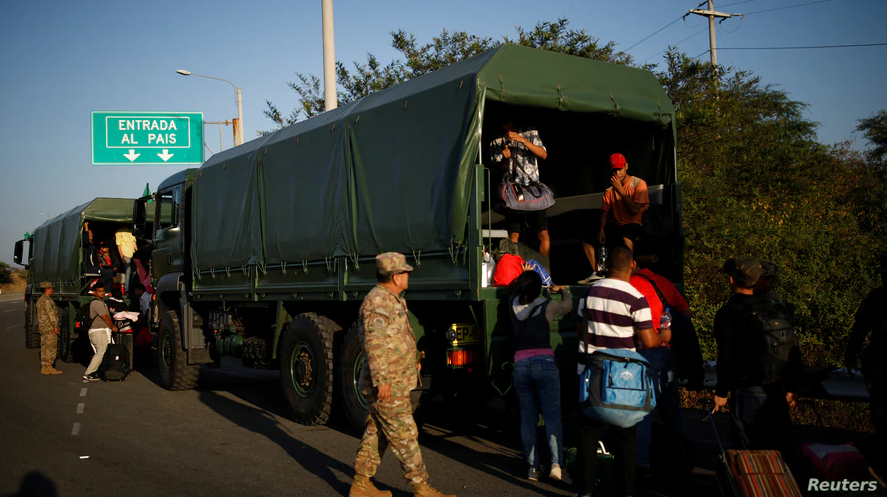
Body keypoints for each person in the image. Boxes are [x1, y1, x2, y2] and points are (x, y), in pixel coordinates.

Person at [350, 253, 455, 497]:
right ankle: (421, 488)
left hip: (395, 379)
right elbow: (374, 344)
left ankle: (361, 484)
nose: (408, 276)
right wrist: (382, 380)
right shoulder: (378, 302)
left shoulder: (390, 298)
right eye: (405, 272)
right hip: (388, 384)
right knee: (405, 433)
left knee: (378, 430)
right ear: (396, 277)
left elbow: (393, 340)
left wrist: (410, 363)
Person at [574, 245, 669, 497]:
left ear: (606, 266)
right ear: (632, 266)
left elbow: (579, 328)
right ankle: (625, 490)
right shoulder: (636, 298)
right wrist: (665, 335)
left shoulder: (589, 292)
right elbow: (649, 341)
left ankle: (584, 491)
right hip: (622, 378)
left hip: (591, 373)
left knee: (588, 434)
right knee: (625, 435)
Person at [712, 256, 803, 453]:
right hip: (777, 388)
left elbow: (726, 355)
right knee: (777, 448)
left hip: (748, 388)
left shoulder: (728, 312)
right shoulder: (775, 307)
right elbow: (792, 346)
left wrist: (721, 391)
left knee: (750, 449)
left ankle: (757, 483)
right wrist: (792, 386)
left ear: (731, 280)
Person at [507, 265, 573, 484]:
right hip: (544, 363)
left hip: (521, 365)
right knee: (552, 414)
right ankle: (556, 465)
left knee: (527, 417)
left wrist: (521, 274)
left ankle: (533, 467)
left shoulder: (512, 304)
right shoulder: (547, 306)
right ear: (539, 289)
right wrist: (563, 290)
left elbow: (512, 289)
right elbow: (568, 306)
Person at [628, 264, 690, 476]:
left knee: (645, 408)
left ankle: (642, 462)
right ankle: (680, 455)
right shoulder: (665, 282)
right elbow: (686, 311)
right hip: (671, 351)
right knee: (672, 406)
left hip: (649, 348)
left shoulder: (631, 283)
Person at [579, 154, 650, 284]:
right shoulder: (609, 190)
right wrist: (601, 229)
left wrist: (620, 190)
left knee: (626, 233)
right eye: (614, 170)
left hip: (636, 224)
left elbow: (634, 210)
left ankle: (630, 273)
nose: (617, 173)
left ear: (626, 166)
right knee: (587, 236)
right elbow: (605, 212)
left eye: (620, 169)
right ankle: (598, 272)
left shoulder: (638, 184)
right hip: (618, 224)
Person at [845, 252, 887, 462]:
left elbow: (859, 329)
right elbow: (859, 329)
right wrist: (851, 354)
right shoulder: (876, 297)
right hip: (879, 368)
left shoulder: (877, 297)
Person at [490, 120, 551, 257]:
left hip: (532, 189)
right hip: (513, 193)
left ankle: (545, 271)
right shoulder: (497, 140)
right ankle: (515, 270)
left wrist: (522, 140)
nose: (506, 128)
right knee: (514, 235)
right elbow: (494, 167)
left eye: (508, 124)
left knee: (543, 233)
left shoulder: (530, 131)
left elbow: (543, 154)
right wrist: (502, 158)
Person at [82, 286, 118, 382]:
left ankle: (101, 371)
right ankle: (89, 373)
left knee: (103, 352)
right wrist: (113, 327)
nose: (102, 293)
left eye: (103, 291)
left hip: (99, 331)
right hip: (98, 331)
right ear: (94, 292)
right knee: (101, 352)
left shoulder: (100, 302)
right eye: (99, 291)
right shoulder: (97, 303)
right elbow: (105, 317)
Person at [36, 282, 62, 375]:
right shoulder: (47, 300)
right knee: (51, 347)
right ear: (47, 290)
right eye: (51, 289)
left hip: (43, 327)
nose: (52, 290)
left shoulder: (40, 300)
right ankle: (49, 366)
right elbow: (51, 315)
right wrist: (55, 326)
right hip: (49, 327)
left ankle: (44, 367)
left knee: (44, 346)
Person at [115, 228, 137, 292]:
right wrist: (122, 256)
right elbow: (118, 245)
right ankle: (127, 290)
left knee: (134, 272)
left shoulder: (131, 231)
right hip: (126, 254)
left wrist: (138, 252)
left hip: (133, 254)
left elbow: (134, 242)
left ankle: (131, 288)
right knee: (128, 271)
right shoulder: (119, 232)